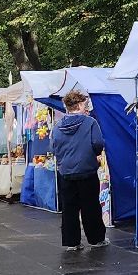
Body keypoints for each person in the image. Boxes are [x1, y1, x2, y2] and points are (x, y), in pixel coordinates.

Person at [50, 90, 108, 251]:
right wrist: (94, 154)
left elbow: (53, 147)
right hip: (86, 169)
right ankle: (96, 239)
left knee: (69, 208)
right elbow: (97, 143)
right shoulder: (90, 123)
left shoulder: (57, 126)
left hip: (66, 172)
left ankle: (71, 242)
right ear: (81, 104)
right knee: (91, 206)